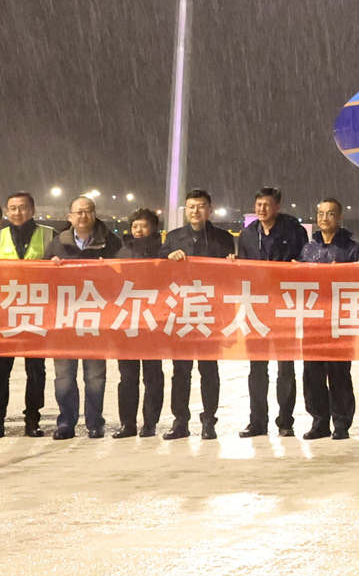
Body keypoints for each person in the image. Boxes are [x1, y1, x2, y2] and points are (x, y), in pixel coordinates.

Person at [163, 189, 235, 440]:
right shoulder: (173, 238)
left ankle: (209, 421)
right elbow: (158, 271)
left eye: (201, 206)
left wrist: (232, 263)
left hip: (210, 312)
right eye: (191, 207)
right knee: (180, 371)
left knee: (209, 370)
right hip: (182, 311)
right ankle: (180, 421)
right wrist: (168, 258)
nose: (196, 211)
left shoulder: (223, 238)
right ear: (186, 210)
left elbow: (231, 275)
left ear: (210, 209)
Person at [236, 187, 307, 438]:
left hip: (284, 306)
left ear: (277, 206)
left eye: (266, 205)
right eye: (258, 205)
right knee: (257, 369)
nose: (261, 209)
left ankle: (285, 421)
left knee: (285, 368)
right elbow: (241, 269)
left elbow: (305, 262)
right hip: (256, 308)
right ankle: (257, 421)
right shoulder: (247, 235)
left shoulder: (294, 232)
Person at [46, 196, 116, 439]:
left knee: (95, 376)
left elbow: (125, 274)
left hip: (97, 319)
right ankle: (66, 421)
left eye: (87, 211)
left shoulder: (111, 243)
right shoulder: (57, 244)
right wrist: (49, 268)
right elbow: (40, 281)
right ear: (69, 217)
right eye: (78, 212)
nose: (83, 216)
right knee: (64, 376)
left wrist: (108, 269)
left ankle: (95, 422)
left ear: (95, 214)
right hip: (64, 319)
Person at [0, 193, 50, 437]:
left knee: (35, 371)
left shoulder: (48, 235)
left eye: (23, 208)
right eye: (12, 208)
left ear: (32, 210)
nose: (18, 212)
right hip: (4, 313)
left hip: (38, 312)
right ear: (6, 211)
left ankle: (32, 420)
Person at [297, 199, 359, 440]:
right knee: (312, 374)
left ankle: (342, 422)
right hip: (313, 320)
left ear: (340, 217)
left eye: (330, 213)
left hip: (340, 321)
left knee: (339, 373)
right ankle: (319, 421)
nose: (324, 218)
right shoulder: (307, 249)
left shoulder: (353, 249)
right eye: (321, 213)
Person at [112, 209, 166, 438]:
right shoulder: (122, 252)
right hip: (128, 321)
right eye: (135, 226)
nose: (139, 230)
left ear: (153, 228)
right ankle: (127, 423)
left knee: (153, 376)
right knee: (127, 377)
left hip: (153, 321)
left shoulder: (164, 252)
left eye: (143, 226)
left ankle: (150, 423)